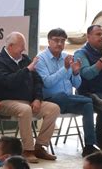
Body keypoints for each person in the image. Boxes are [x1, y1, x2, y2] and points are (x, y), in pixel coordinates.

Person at [0, 32, 60, 163]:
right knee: (25, 110)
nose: (24, 49)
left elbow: (38, 81)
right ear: (10, 46)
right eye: (21, 46)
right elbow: (7, 82)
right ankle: (28, 150)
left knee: (54, 108)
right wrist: (27, 70)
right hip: (6, 102)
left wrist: (38, 98)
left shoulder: (25, 59)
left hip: (29, 101)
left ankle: (39, 146)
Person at [36, 28, 98, 157]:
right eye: (56, 40)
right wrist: (65, 69)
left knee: (87, 105)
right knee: (65, 96)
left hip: (68, 100)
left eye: (63, 41)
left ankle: (89, 146)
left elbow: (77, 84)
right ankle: (89, 100)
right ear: (48, 41)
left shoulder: (67, 57)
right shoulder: (41, 59)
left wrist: (75, 73)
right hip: (51, 100)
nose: (59, 44)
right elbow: (47, 83)